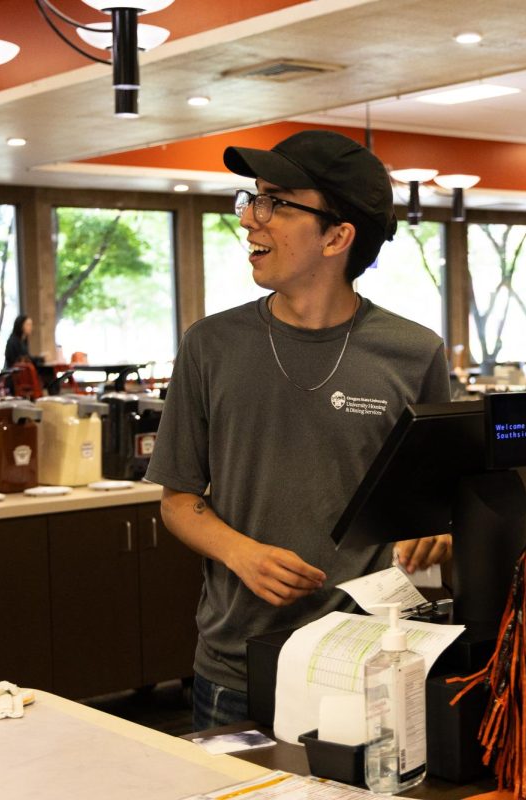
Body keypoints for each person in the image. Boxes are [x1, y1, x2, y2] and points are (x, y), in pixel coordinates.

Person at [146, 130, 453, 730]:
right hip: (237, 665)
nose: (250, 222)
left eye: (277, 203)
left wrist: (438, 534)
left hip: (373, 659)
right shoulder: (211, 345)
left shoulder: (414, 353)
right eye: (252, 199)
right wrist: (243, 554)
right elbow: (178, 499)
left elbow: (437, 503)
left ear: (338, 236)